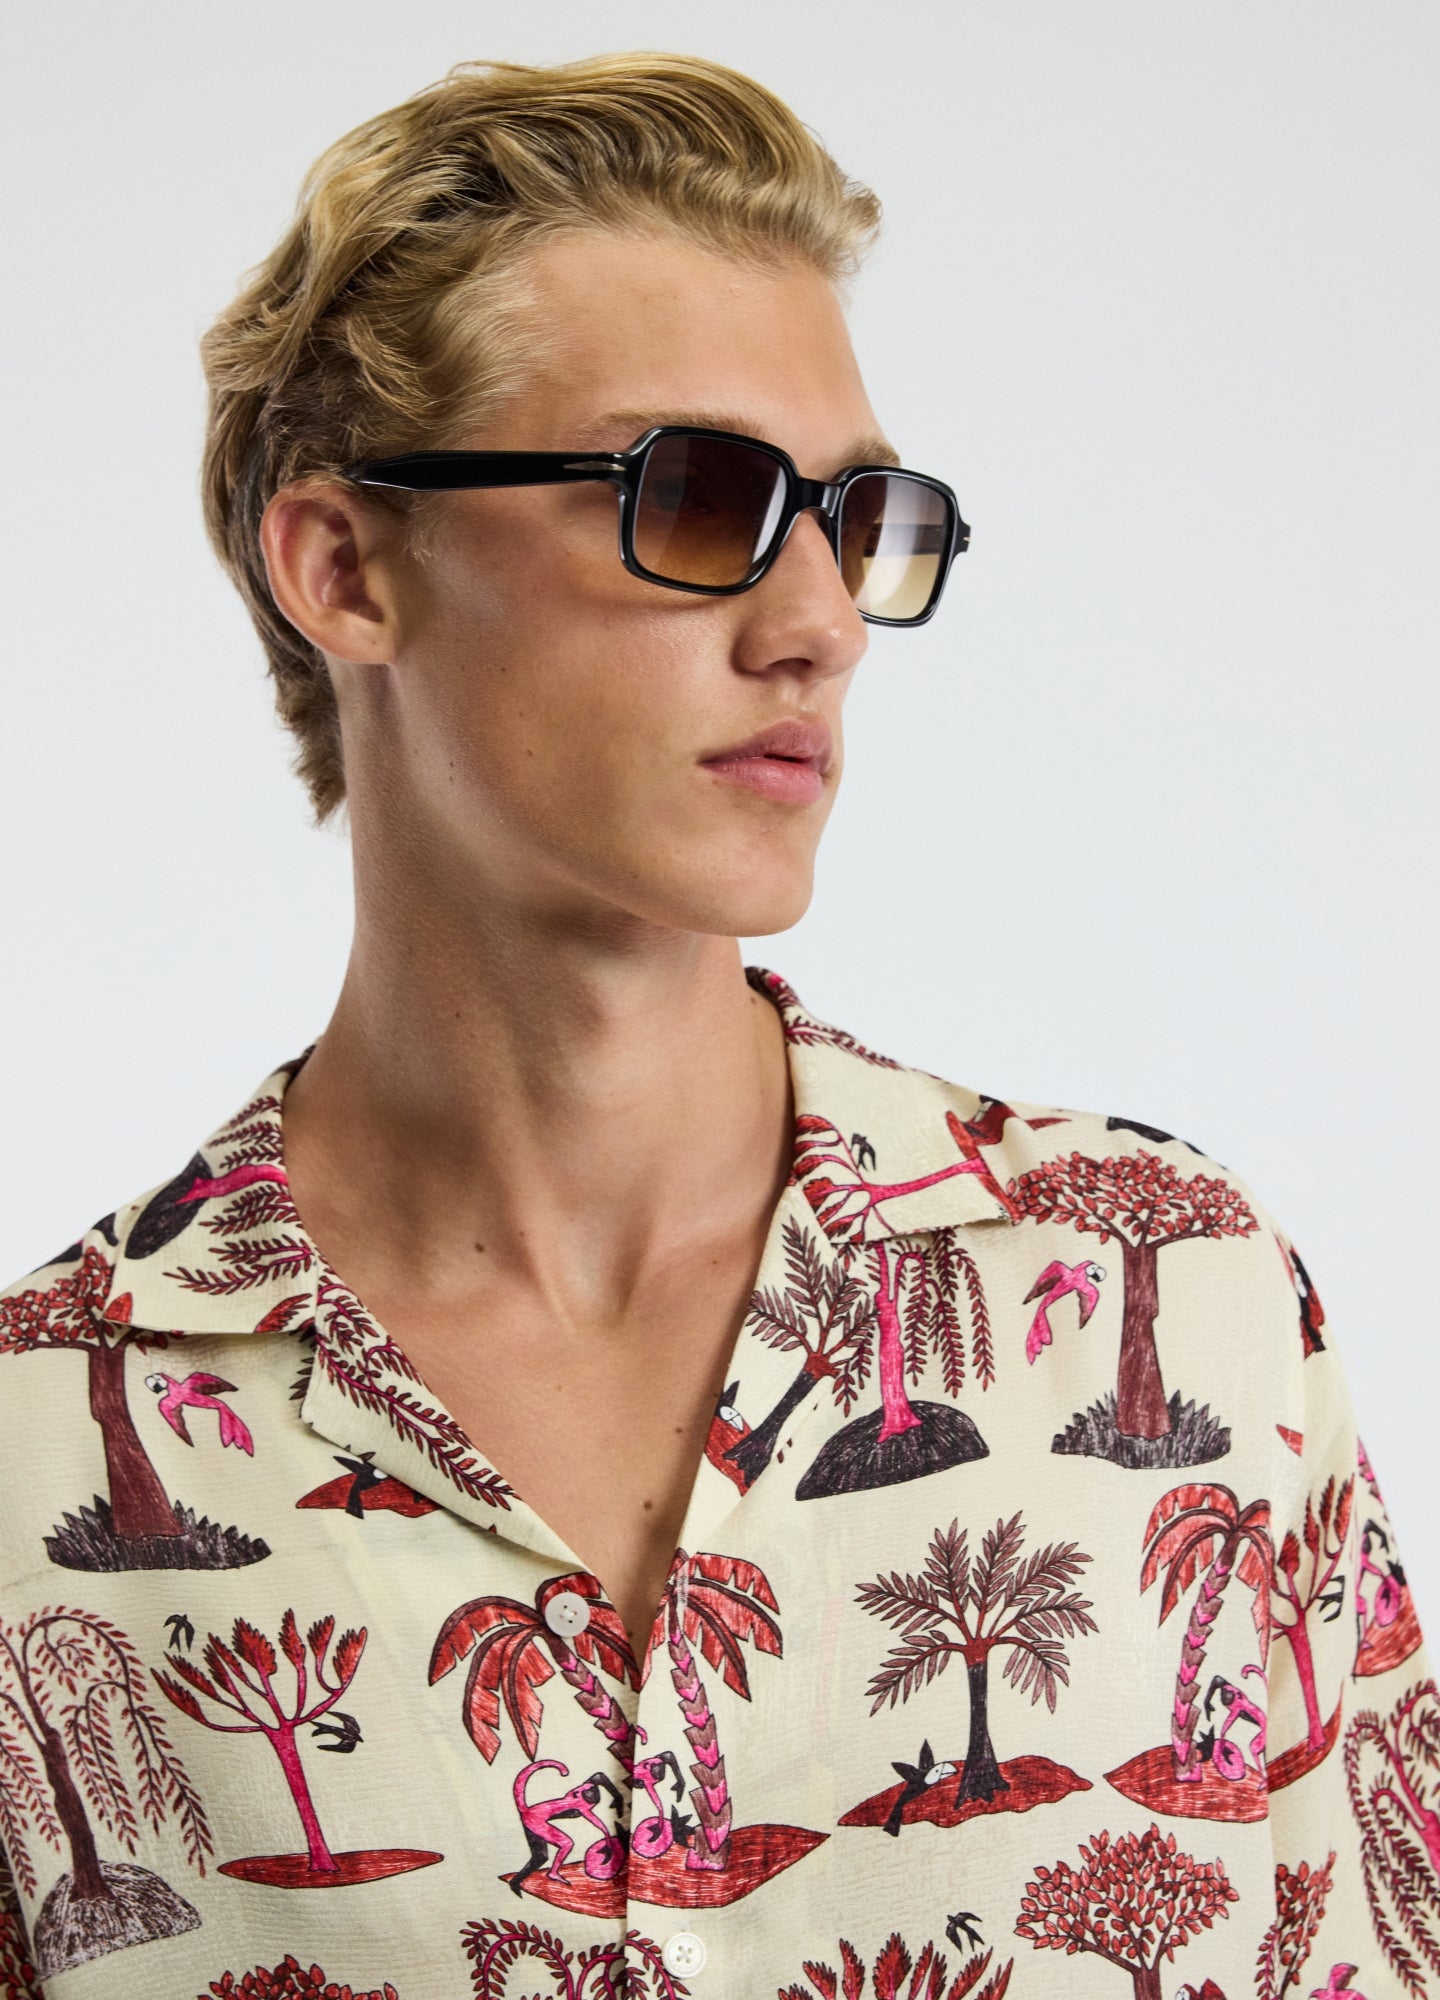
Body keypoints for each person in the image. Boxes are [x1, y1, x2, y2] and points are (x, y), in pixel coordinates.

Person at [0, 51, 1433, 2000]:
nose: (819, 621)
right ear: (347, 569)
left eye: (855, 516)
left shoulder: (1173, 1293)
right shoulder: (36, 1467)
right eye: (695, 497)